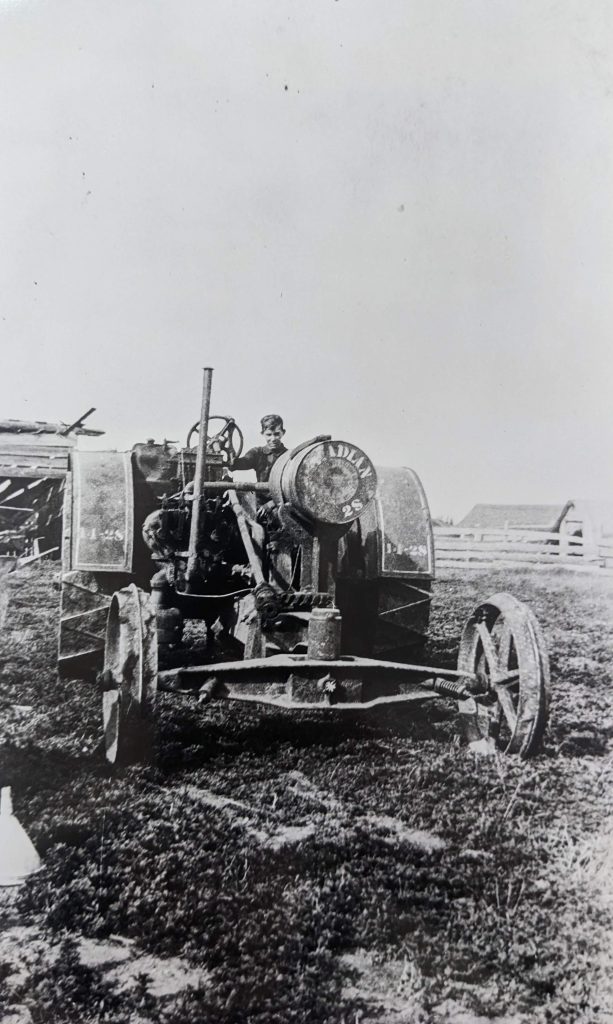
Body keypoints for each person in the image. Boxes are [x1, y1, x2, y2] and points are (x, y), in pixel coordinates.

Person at [230, 414, 287, 482]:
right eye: (269, 435)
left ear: (283, 433)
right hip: (263, 492)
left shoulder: (289, 456)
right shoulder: (257, 453)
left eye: (277, 434)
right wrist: (230, 433)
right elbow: (237, 464)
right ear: (262, 433)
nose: (273, 438)